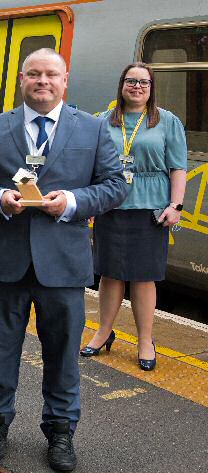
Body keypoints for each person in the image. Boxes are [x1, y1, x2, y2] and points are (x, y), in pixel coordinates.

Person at [0, 48, 128, 472]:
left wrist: (71, 200)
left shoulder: (93, 129)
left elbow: (114, 186)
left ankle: (61, 431)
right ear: (21, 79)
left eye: (51, 75)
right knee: (0, 349)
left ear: (65, 80)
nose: (43, 82)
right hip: (6, 262)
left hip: (64, 265)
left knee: (64, 353)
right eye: (34, 74)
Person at [81, 63, 187, 371]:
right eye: (131, 81)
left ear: (152, 87)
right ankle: (104, 331)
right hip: (110, 206)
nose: (137, 86)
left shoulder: (167, 121)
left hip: (150, 210)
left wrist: (176, 206)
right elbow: (91, 164)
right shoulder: (103, 120)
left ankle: (145, 340)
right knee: (110, 273)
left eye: (144, 82)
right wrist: (89, 202)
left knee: (143, 277)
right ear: (121, 85)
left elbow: (177, 167)